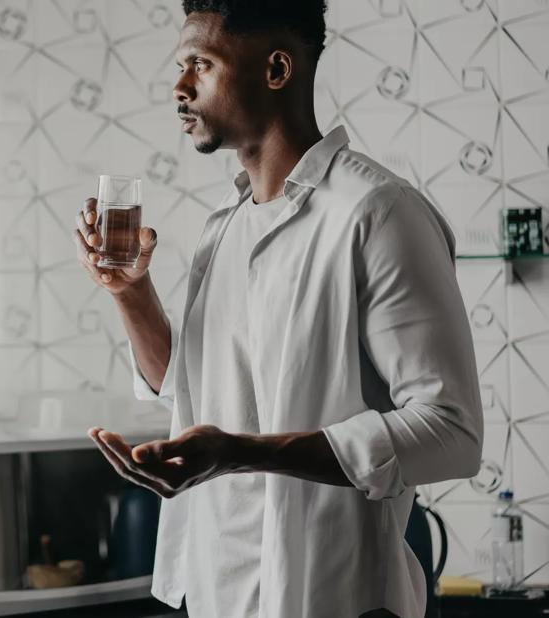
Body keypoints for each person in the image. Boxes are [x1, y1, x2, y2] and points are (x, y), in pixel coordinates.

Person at [75, 1, 483, 617]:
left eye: (201, 65)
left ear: (276, 69)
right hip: (217, 594)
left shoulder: (378, 213)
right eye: (180, 66)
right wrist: (130, 293)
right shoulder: (226, 227)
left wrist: (242, 452)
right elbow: (188, 391)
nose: (179, 87)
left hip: (335, 598)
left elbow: (452, 432)